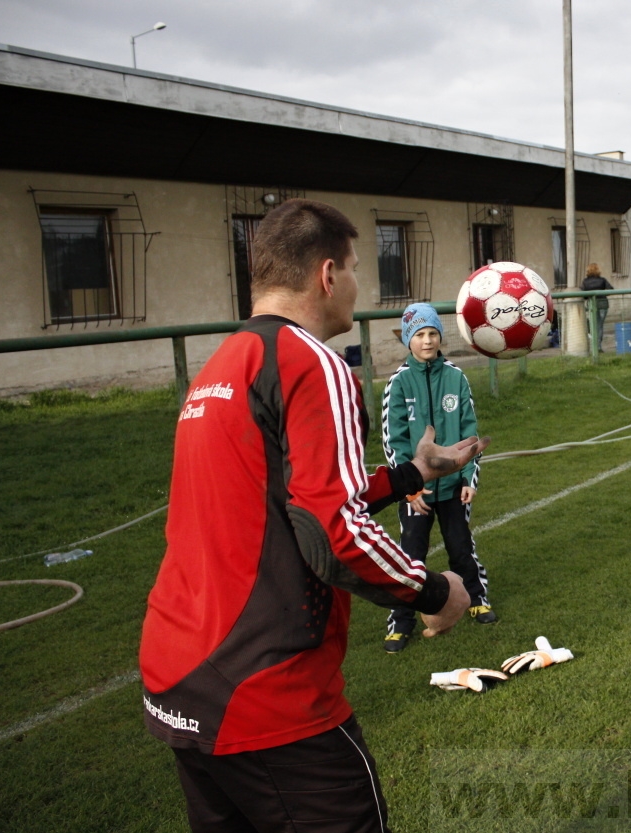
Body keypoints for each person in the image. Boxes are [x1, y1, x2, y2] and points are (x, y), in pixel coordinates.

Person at [139, 199, 484, 832]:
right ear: (327, 275)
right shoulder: (314, 361)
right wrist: (434, 589)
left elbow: (291, 498)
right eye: (355, 268)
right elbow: (332, 530)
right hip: (263, 689)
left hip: (179, 676)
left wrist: (412, 473)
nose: (358, 284)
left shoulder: (220, 365)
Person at [381, 302, 496, 655]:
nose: (427, 341)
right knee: (411, 554)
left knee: (460, 546)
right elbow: (393, 440)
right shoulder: (398, 383)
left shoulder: (455, 377)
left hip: (451, 487)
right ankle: (401, 619)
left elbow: (469, 433)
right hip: (417, 491)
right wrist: (409, 487)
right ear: (407, 340)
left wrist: (468, 478)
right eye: (419, 335)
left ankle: (476, 598)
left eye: (432, 334)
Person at [581, 263, 613, 352]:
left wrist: (589, 296)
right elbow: (611, 289)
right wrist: (602, 293)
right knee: (600, 325)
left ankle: (594, 345)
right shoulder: (602, 280)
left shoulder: (585, 282)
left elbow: (583, 295)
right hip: (603, 304)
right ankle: (598, 346)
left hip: (592, 305)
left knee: (594, 325)